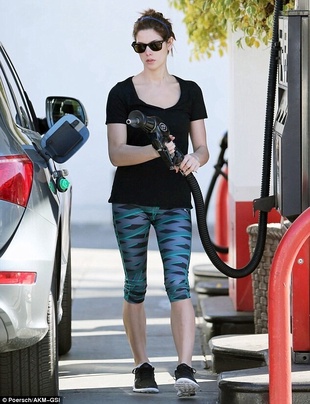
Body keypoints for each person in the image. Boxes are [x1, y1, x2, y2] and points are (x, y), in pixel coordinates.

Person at [105, 8, 209, 398]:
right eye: (139, 46)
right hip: (130, 201)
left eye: (154, 45)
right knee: (135, 285)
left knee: (178, 283)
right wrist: (155, 150)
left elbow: (202, 147)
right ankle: (142, 366)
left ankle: (185, 367)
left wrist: (194, 158)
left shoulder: (191, 91)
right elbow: (116, 153)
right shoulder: (121, 93)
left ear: (169, 45)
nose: (147, 52)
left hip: (175, 201)